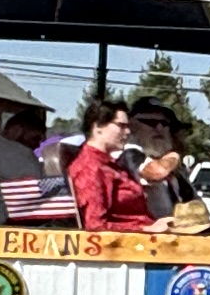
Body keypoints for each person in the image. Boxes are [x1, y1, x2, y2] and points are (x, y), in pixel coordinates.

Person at [61, 97, 153, 232]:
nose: (127, 132)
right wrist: (145, 228)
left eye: (127, 126)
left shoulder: (110, 165)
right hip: (128, 242)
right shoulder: (90, 167)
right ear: (98, 127)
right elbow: (95, 225)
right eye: (121, 126)